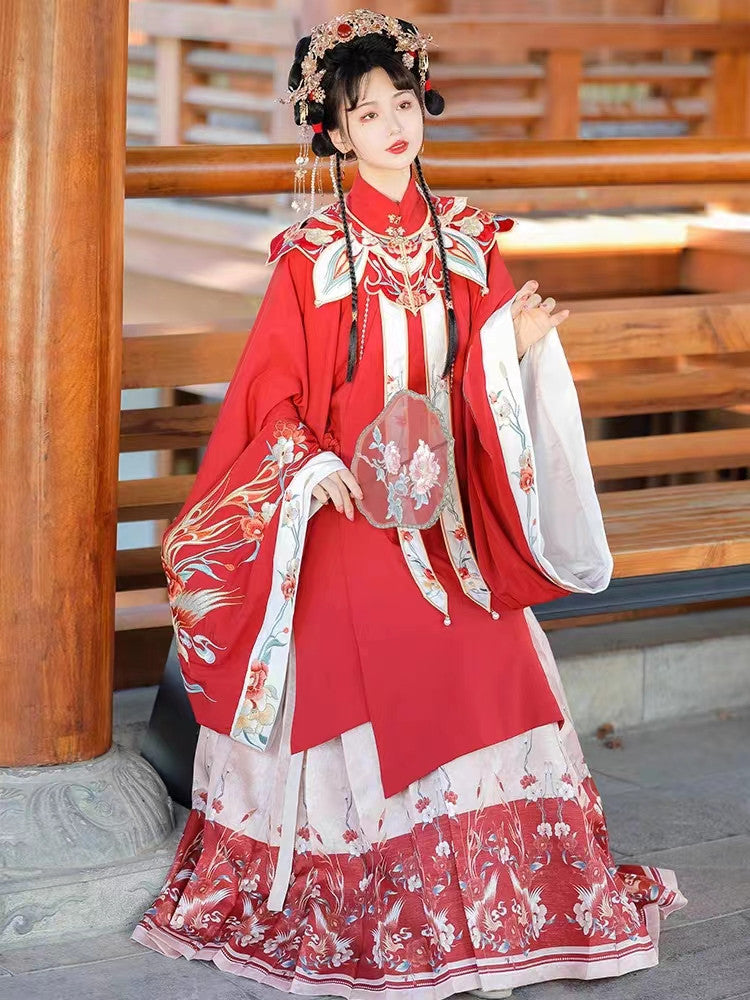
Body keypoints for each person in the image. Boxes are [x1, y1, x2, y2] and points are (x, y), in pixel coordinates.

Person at [132, 11, 687, 998]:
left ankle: (512, 897)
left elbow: (479, 389)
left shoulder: (470, 239)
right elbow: (272, 399)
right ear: (335, 133)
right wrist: (307, 465)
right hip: (345, 511)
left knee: (491, 642)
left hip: (447, 516)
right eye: (366, 112)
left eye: (400, 103)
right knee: (366, 638)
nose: (392, 124)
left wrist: (508, 356)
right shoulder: (309, 255)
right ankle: (378, 894)